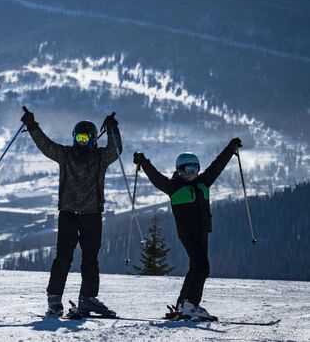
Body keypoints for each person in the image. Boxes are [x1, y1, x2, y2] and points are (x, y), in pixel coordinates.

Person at [21, 107, 121, 318]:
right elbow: (46, 145)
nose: (82, 141)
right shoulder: (65, 155)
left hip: (92, 214)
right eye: (78, 137)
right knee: (63, 257)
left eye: (86, 138)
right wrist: (32, 126)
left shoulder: (101, 157)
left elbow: (116, 150)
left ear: (94, 139)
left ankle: (87, 298)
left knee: (90, 258)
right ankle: (54, 299)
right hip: (68, 213)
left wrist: (113, 129)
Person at [132, 137, 242, 319]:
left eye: (195, 169)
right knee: (202, 267)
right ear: (179, 170)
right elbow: (154, 176)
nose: (192, 173)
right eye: (187, 169)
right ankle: (191, 304)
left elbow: (218, 165)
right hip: (188, 233)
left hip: (203, 231)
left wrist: (231, 147)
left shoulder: (203, 181)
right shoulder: (173, 186)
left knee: (195, 267)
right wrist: (143, 161)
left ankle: (183, 303)